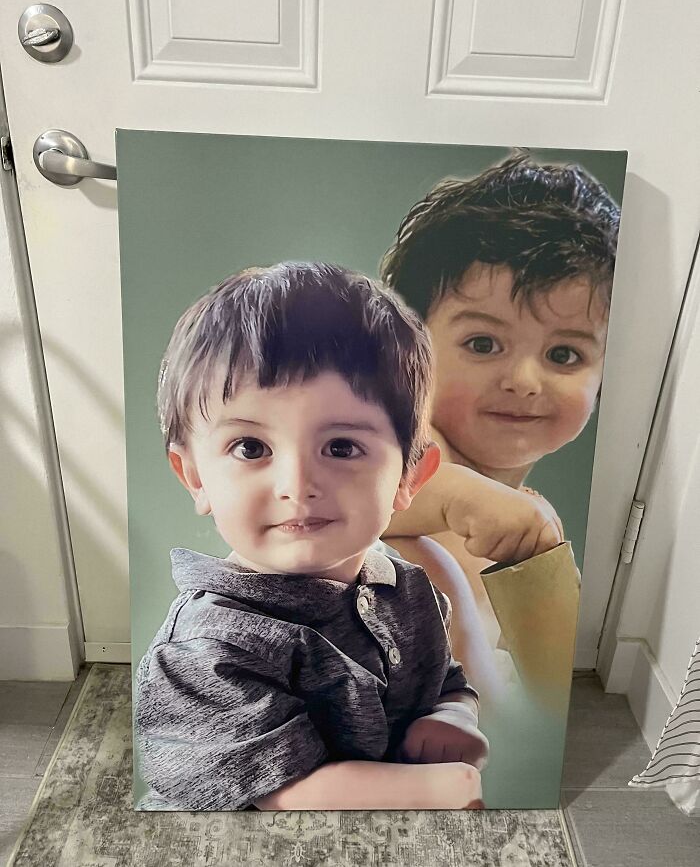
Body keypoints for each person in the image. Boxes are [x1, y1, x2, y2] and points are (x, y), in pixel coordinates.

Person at [135, 261, 489, 812]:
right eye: (251, 448)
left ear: (409, 478)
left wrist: (452, 717)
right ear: (196, 478)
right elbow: (282, 792)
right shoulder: (207, 648)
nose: (297, 485)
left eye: (341, 447)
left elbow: (444, 679)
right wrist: (440, 787)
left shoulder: (411, 591)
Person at [380, 149, 620, 695]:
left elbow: (548, 688)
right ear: (409, 345)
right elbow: (337, 488)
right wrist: (457, 495)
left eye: (564, 355)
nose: (525, 381)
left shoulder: (528, 523)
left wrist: (546, 576)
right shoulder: (403, 438)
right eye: (483, 344)